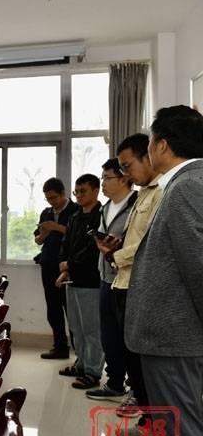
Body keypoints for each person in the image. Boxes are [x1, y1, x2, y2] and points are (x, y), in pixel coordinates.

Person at [125, 105, 203, 436]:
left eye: (152, 141)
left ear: (162, 145)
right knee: (179, 429)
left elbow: (199, 266)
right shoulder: (187, 183)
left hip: (175, 339)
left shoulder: (187, 186)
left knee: (181, 431)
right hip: (175, 337)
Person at [97, 134, 163, 436]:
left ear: (150, 155)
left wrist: (117, 254)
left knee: (150, 370)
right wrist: (115, 246)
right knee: (133, 363)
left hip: (139, 283)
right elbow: (135, 238)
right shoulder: (145, 193)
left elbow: (150, 244)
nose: (126, 174)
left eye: (128, 166)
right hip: (123, 282)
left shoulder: (167, 191)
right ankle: (149, 423)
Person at [85, 158, 136, 401]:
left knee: (129, 340)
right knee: (109, 336)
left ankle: (136, 390)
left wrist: (119, 248)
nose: (103, 183)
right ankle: (115, 383)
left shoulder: (137, 204)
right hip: (106, 278)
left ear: (124, 178)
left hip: (128, 280)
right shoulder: (105, 208)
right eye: (102, 177)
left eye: (107, 178)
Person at [55, 174, 102, 390]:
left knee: (92, 329)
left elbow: (92, 250)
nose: (79, 196)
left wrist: (69, 265)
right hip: (71, 279)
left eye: (83, 191)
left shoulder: (101, 216)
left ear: (95, 191)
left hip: (90, 280)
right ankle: (81, 364)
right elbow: (66, 244)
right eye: (77, 192)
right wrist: (64, 264)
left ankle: (93, 371)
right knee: (76, 327)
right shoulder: (74, 216)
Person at [35, 178, 79, 359]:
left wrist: (57, 227)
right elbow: (38, 240)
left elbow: (79, 235)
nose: (51, 202)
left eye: (53, 197)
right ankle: (60, 347)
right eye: (47, 198)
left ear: (63, 194)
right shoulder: (46, 213)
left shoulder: (76, 210)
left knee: (72, 309)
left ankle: (80, 351)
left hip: (69, 266)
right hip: (48, 264)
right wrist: (45, 232)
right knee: (53, 308)